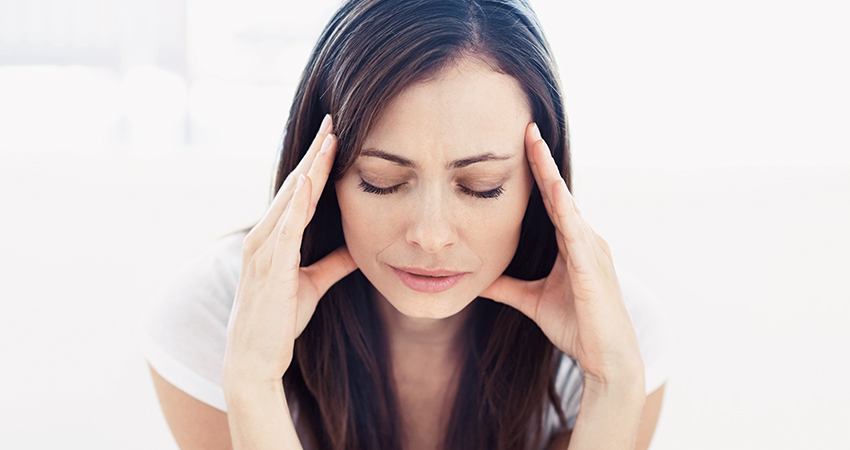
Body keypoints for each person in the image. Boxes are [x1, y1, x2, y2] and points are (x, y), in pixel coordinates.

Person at [137, 0, 677, 449]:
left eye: (481, 186)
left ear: (539, 185)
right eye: (381, 180)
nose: (431, 234)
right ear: (324, 178)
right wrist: (253, 384)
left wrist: (614, 388)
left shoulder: (613, 340)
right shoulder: (208, 323)